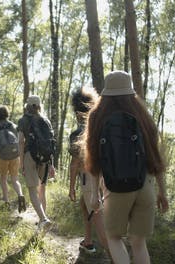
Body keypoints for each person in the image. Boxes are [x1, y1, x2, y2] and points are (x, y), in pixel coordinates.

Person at [84, 70, 169, 264]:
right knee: (139, 243)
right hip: (144, 185)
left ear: (106, 93)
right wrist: (162, 191)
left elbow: (94, 159)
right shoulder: (142, 116)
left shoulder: (97, 116)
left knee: (114, 238)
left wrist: (94, 194)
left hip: (115, 189)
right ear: (130, 92)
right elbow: (155, 159)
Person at [68, 86, 108, 255]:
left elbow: (75, 164)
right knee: (86, 207)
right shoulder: (103, 126)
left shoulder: (78, 133)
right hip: (107, 177)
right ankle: (88, 241)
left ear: (77, 111)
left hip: (89, 178)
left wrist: (71, 187)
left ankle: (115, 254)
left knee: (98, 217)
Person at [17, 95, 54, 231]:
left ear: (27, 106)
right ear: (39, 106)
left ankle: (43, 219)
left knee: (32, 189)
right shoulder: (46, 120)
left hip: (29, 155)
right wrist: (51, 163)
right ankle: (42, 220)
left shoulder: (23, 120)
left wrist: (21, 162)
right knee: (42, 189)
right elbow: (51, 143)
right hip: (44, 157)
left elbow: (21, 141)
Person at [0, 105, 26, 212]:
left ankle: (6, 202)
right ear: (6, 114)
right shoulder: (13, 126)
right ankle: (20, 195)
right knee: (15, 179)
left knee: (3, 179)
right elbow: (19, 142)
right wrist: (20, 155)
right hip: (15, 156)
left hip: (3, 157)